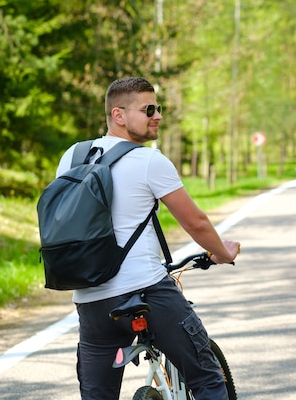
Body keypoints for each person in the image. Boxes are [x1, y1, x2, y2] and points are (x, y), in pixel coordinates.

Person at [54, 77, 241, 400]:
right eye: (148, 109)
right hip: (147, 292)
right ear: (119, 115)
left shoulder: (72, 156)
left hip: (91, 302)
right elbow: (196, 223)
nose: (158, 116)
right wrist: (222, 252)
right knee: (208, 380)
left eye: (159, 108)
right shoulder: (149, 160)